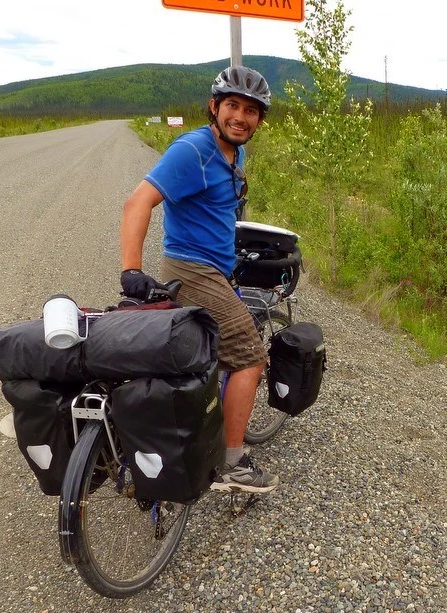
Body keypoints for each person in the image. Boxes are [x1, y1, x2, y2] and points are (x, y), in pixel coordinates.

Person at [120, 66, 278, 494]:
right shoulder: (193, 150)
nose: (240, 117)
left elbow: (218, 211)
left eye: (250, 111)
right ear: (214, 107)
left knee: (205, 356)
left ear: (259, 120)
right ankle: (232, 465)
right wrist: (131, 269)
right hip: (192, 270)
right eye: (232, 106)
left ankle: (195, 429)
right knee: (249, 357)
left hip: (214, 267)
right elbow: (138, 202)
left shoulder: (235, 153)